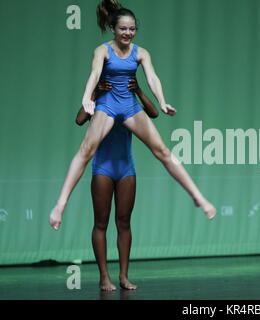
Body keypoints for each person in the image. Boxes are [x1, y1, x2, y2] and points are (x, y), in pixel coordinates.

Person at [49, 0, 216, 231]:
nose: (128, 33)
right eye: (123, 29)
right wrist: (87, 98)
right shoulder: (102, 50)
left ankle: (199, 197)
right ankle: (60, 204)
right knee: (86, 152)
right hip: (107, 106)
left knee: (163, 152)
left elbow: (152, 78)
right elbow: (95, 73)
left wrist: (162, 101)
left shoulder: (141, 53)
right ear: (114, 29)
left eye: (132, 29)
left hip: (129, 106)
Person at [75, 78, 157, 291]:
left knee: (124, 222)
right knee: (101, 222)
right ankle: (104, 277)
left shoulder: (129, 102)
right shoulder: (99, 101)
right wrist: (94, 92)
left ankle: (123, 276)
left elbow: (154, 113)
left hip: (126, 169)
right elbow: (79, 118)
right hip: (102, 168)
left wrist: (138, 89)